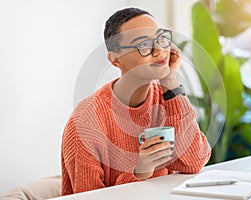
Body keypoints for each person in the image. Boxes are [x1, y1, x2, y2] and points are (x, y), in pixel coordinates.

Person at [61, 7, 211, 196]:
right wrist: (140, 172)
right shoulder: (85, 122)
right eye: (144, 45)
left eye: (161, 39)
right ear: (116, 60)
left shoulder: (167, 95)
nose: (159, 51)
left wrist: (170, 82)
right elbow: (90, 197)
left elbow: (193, 163)